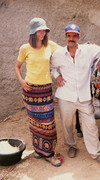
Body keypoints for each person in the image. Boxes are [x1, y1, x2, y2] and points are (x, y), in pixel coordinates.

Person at [50, 24, 100, 167]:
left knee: (90, 125)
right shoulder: (58, 54)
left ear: (79, 37)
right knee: (67, 124)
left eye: (74, 36)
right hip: (65, 96)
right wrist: (57, 75)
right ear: (65, 37)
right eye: (69, 36)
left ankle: (96, 153)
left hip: (84, 97)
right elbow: (52, 67)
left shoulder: (88, 50)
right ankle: (71, 145)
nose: (72, 39)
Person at [15, 17, 61, 167]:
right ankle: (38, 151)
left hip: (45, 90)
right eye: (39, 30)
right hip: (30, 91)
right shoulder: (25, 48)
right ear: (33, 32)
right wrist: (22, 81)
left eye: (44, 30)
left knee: (48, 123)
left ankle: (49, 153)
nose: (42, 33)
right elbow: (17, 66)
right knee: (34, 123)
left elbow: (66, 52)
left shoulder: (50, 46)